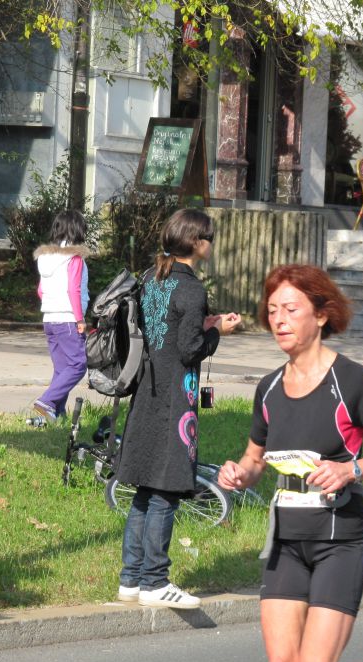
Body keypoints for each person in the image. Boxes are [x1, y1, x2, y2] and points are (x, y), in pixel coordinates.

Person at [217, 264, 363, 662]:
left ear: (322, 315)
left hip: (338, 543)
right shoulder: (268, 387)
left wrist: (352, 469)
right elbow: (255, 458)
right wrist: (240, 473)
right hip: (286, 541)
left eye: (290, 309)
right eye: (272, 311)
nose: (279, 320)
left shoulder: (351, 381)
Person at [115, 209, 241, 609]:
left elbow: (166, 333)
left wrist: (206, 323)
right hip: (174, 399)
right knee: (166, 490)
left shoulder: (152, 278)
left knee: (143, 490)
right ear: (196, 242)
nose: (212, 242)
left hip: (146, 395)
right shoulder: (192, 289)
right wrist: (218, 330)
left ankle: (131, 579)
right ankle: (155, 582)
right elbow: (188, 350)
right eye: (210, 236)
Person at [28, 209, 91, 426]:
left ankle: (56, 412)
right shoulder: (74, 258)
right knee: (78, 364)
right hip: (68, 318)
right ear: (78, 230)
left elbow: (40, 291)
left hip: (49, 319)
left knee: (62, 368)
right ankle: (46, 401)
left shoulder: (45, 257)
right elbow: (73, 289)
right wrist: (80, 319)